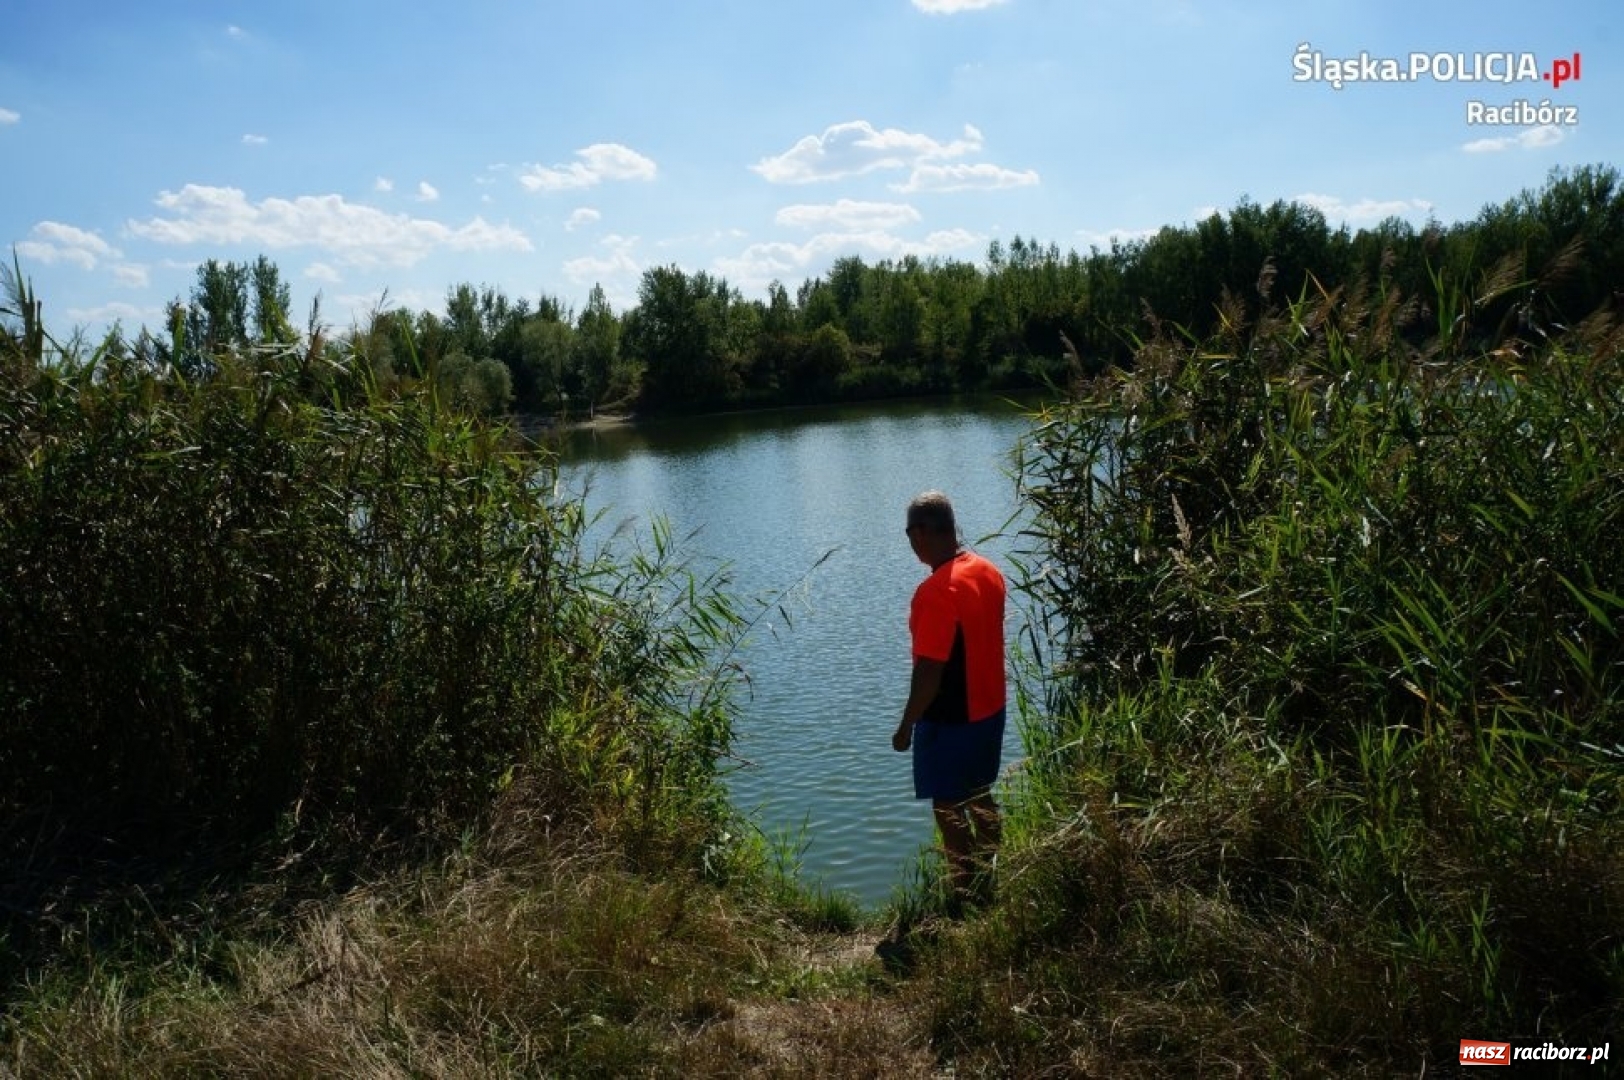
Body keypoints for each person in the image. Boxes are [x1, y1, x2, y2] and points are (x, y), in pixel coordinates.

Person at [892, 490, 1006, 910]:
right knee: (979, 792)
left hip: (952, 717)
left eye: (908, 532)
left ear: (921, 532)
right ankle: (994, 871)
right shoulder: (987, 570)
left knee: (948, 806)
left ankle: (964, 895)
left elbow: (929, 671)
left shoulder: (937, 591)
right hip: (991, 709)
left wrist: (906, 726)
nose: (909, 541)